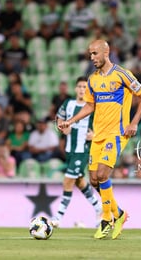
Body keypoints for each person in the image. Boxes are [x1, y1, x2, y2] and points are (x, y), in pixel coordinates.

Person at [58, 40, 141, 239]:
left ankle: (107, 219)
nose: (91, 58)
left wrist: (134, 123)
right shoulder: (92, 80)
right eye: (90, 54)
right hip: (98, 134)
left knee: (102, 174)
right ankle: (119, 214)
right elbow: (90, 106)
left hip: (116, 133)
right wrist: (71, 121)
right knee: (93, 180)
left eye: (94, 53)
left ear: (106, 52)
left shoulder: (122, 74)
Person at [51, 76, 102, 228]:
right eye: (79, 86)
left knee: (67, 181)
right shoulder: (68, 104)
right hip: (70, 150)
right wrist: (61, 128)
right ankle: (99, 208)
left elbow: (102, 125)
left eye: (85, 87)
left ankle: (58, 218)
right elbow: (59, 120)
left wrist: (95, 136)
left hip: (83, 150)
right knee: (79, 182)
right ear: (75, 89)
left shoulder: (92, 106)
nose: (81, 89)